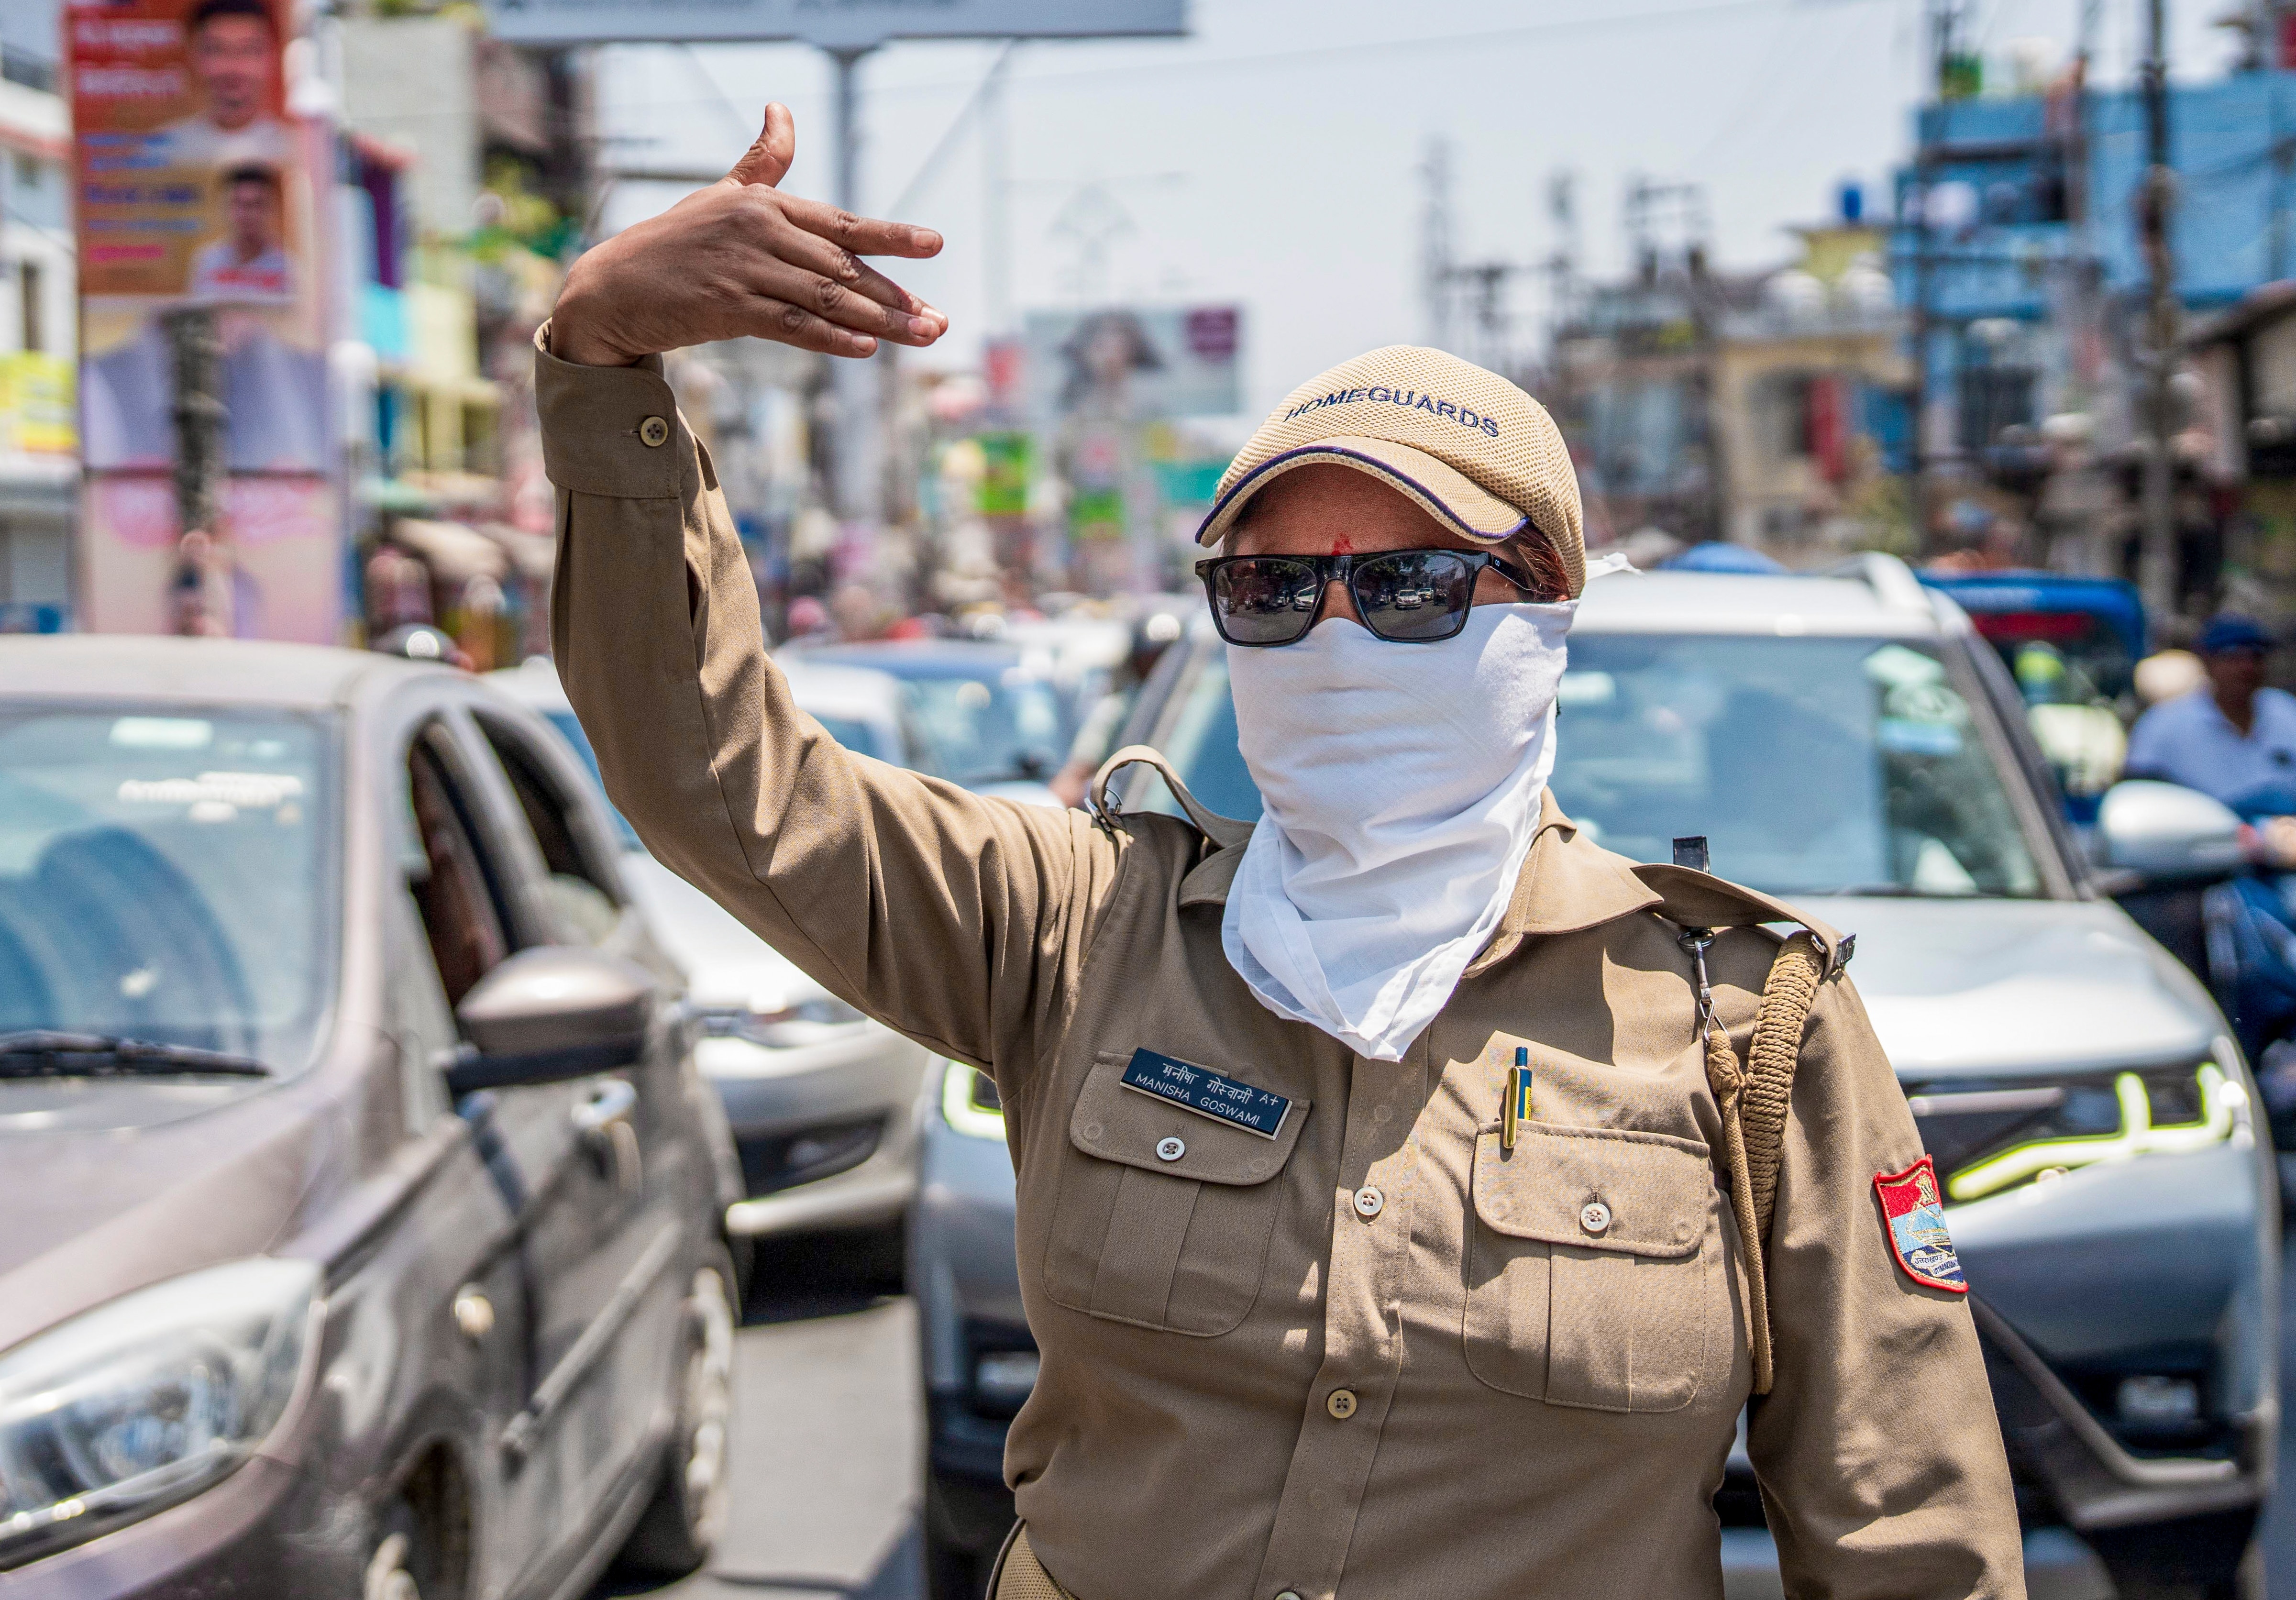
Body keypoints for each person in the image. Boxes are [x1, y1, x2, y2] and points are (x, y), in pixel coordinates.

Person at [539, 103, 2023, 1600]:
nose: (1331, 633)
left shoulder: (1744, 1023)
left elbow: (1908, 1528)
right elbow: (711, 778)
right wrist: (607, 363)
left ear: (1547, 601)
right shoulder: (1076, 923)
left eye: (1409, 584)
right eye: (1269, 586)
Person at [2125, 614, 2296, 814]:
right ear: (2207, 661)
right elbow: (2139, 798)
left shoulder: (2287, 711)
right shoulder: (2164, 724)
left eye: (2256, 656)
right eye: (2233, 656)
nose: (2247, 668)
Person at [158, 0, 294, 172]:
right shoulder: (163, 149)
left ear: (273, 56)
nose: (233, 66)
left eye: (249, 50)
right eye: (216, 49)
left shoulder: (295, 150)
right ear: (192, 55)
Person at [188, 165, 292, 304]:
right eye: (239, 204)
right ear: (224, 208)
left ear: (272, 210)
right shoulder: (206, 261)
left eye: (258, 204)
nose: (248, 214)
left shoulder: (288, 269)